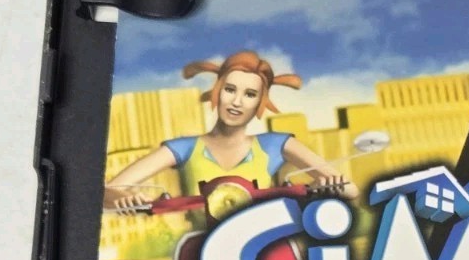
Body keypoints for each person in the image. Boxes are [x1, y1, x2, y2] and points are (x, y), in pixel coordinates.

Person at [102, 50, 356, 211]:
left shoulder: (275, 144)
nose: (237, 102)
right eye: (230, 90)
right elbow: (107, 191)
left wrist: (324, 186)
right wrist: (123, 199)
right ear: (217, 91)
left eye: (250, 94)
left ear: (260, 102)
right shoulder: (184, 147)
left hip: (265, 246)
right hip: (202, 251)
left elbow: (350, 189)